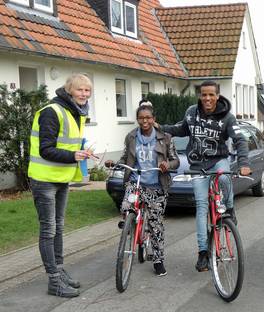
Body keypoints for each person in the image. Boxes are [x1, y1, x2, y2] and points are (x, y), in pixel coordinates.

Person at [156, 80, 250, 272]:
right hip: (197, 165)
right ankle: (202, 253)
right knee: (201, 206)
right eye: (204, 94)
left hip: (218, 160)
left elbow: (240, 140)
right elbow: (182, 129)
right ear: (200, 95)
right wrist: (162, 127)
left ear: (218, 95)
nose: (207, 98)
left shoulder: (228, 117)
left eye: (211, 95)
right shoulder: (191, 112)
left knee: (224, 177)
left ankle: (229, 208)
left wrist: (244, 163)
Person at [28, 73, 95, 297]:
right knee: (48, 229)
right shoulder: (52, 111)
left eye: (87, 91)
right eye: (80, 90)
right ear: (69, 91)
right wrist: (73, 156)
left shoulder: (75, 112)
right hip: (44, 179)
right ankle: (54, 281)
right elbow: (45, 149)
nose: (84, 94)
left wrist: (81, 153)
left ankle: (58, 270)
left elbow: (66, 145)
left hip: (61, 179)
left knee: (58, 227)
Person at [105, 103, 180, 276]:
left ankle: (158, 259)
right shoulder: (131, 137)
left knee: (155, 226)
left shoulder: (165, 138)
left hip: (156, 185)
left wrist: (167, 165)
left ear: (153, 120)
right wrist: (115, 163)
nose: (144, 121)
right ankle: (129, 223)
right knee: (127, 204)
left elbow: (175, 160)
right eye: (141, 118)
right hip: (136, 181)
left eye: (148, 118)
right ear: (137, 119)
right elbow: (126, 157)